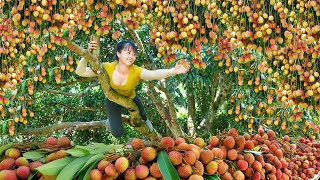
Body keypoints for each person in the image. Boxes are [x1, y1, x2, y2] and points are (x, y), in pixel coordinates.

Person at [76, 40, 190, 138]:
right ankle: (110, 121)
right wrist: (86, 54)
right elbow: (80, 72)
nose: (131, 56)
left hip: (130, 99)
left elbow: (153, 74)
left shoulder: (136, 71)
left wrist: (173, 71)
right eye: (128, 52)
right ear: (118, 53)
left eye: (134, 54)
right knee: (118, 134)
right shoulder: (106, 67)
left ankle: (144, 120)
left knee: (143, 117)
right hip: (112, 101)